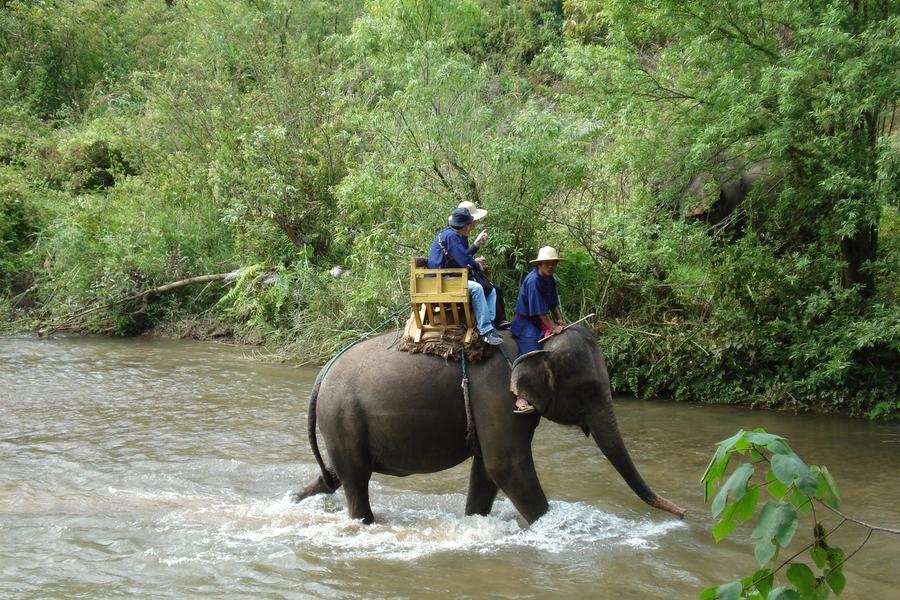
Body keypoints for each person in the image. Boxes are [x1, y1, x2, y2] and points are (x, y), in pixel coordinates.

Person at [427, 206, 503, 345]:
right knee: (477, 288)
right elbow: (464, 259)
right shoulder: (451, 236)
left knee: (491, 290)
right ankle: (485, 331)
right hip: (441, 281)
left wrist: (473, 258)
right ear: (466, 225)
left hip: (446, 277)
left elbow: (461, 258)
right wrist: (477, 265)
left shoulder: (451, 234)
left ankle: (490, 325)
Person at [510, 246, 566, 413]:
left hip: (539, 321)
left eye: (553, 263)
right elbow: (540, 312)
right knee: (531, 355)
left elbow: (553, 302)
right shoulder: (533, 281)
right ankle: (521, 397)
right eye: (547, 263)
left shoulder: (549, 278)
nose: (550, 266)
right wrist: (553, 327)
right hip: (526, 323)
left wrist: (560, 319)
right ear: (540, 264)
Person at [456, 200, 510, 330]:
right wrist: (475, 261)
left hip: (460, 272)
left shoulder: (461, 235)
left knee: (496, 289)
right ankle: (489, 324)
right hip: (456, 277)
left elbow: (463, 256)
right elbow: (463, 259)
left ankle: (498, 320)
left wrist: (476, 246)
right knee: (488, 288)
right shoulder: (456, 236)